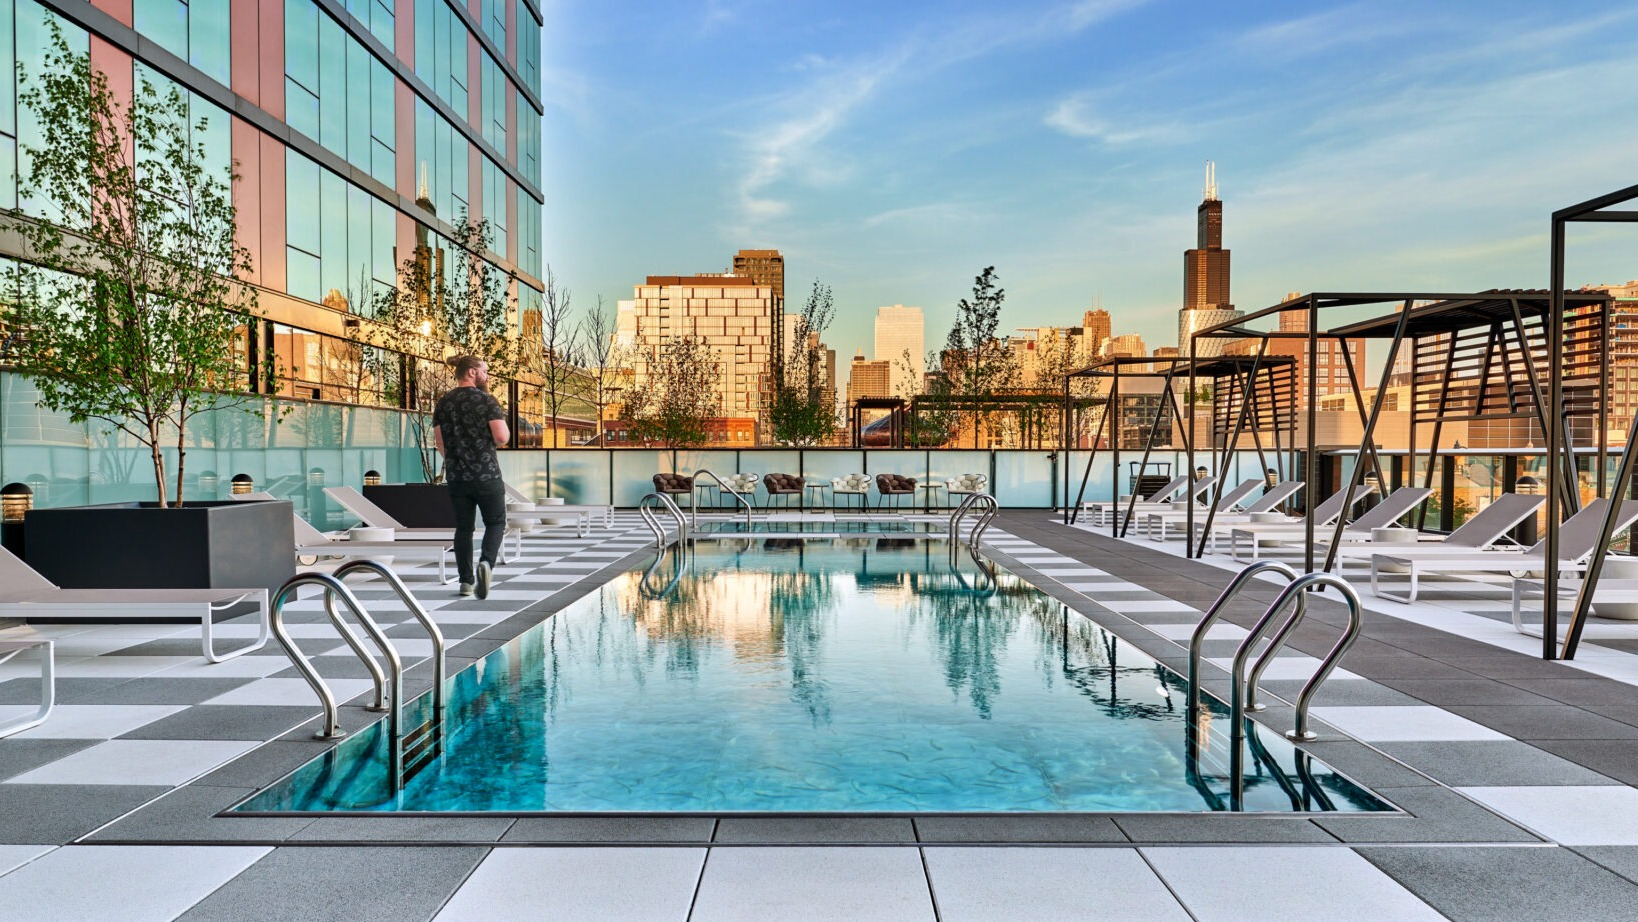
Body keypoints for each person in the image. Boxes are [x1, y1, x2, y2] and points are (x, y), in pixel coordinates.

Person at [433, 355, 510, 598]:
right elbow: (501, 437)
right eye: (485, 371)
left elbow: (439, 443)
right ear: (471, 372)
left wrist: (457, 460)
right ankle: (486, 563)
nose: (487, 376)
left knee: (464, 528)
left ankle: (465, 582)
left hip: (458, 478)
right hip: (487, 474)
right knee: (496, 522)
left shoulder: (443, 402)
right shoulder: (486, 400)